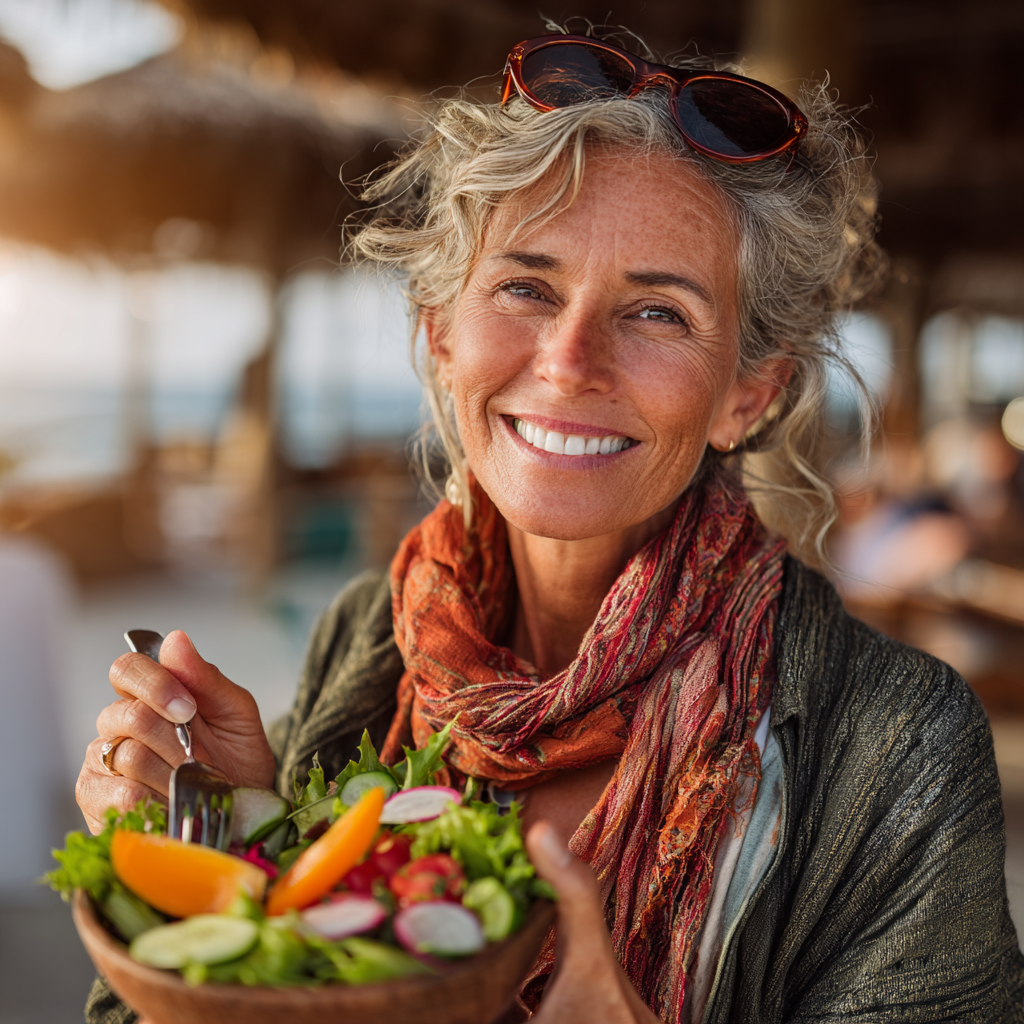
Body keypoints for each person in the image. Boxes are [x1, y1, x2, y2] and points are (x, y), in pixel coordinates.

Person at [76, 32, 1024, 1023]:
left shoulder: (897, 740)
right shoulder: (372, 638)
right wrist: (232, 853)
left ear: (749, 394)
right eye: (525, 287)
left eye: (656, 311)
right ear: (439, 335)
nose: (570, 362)